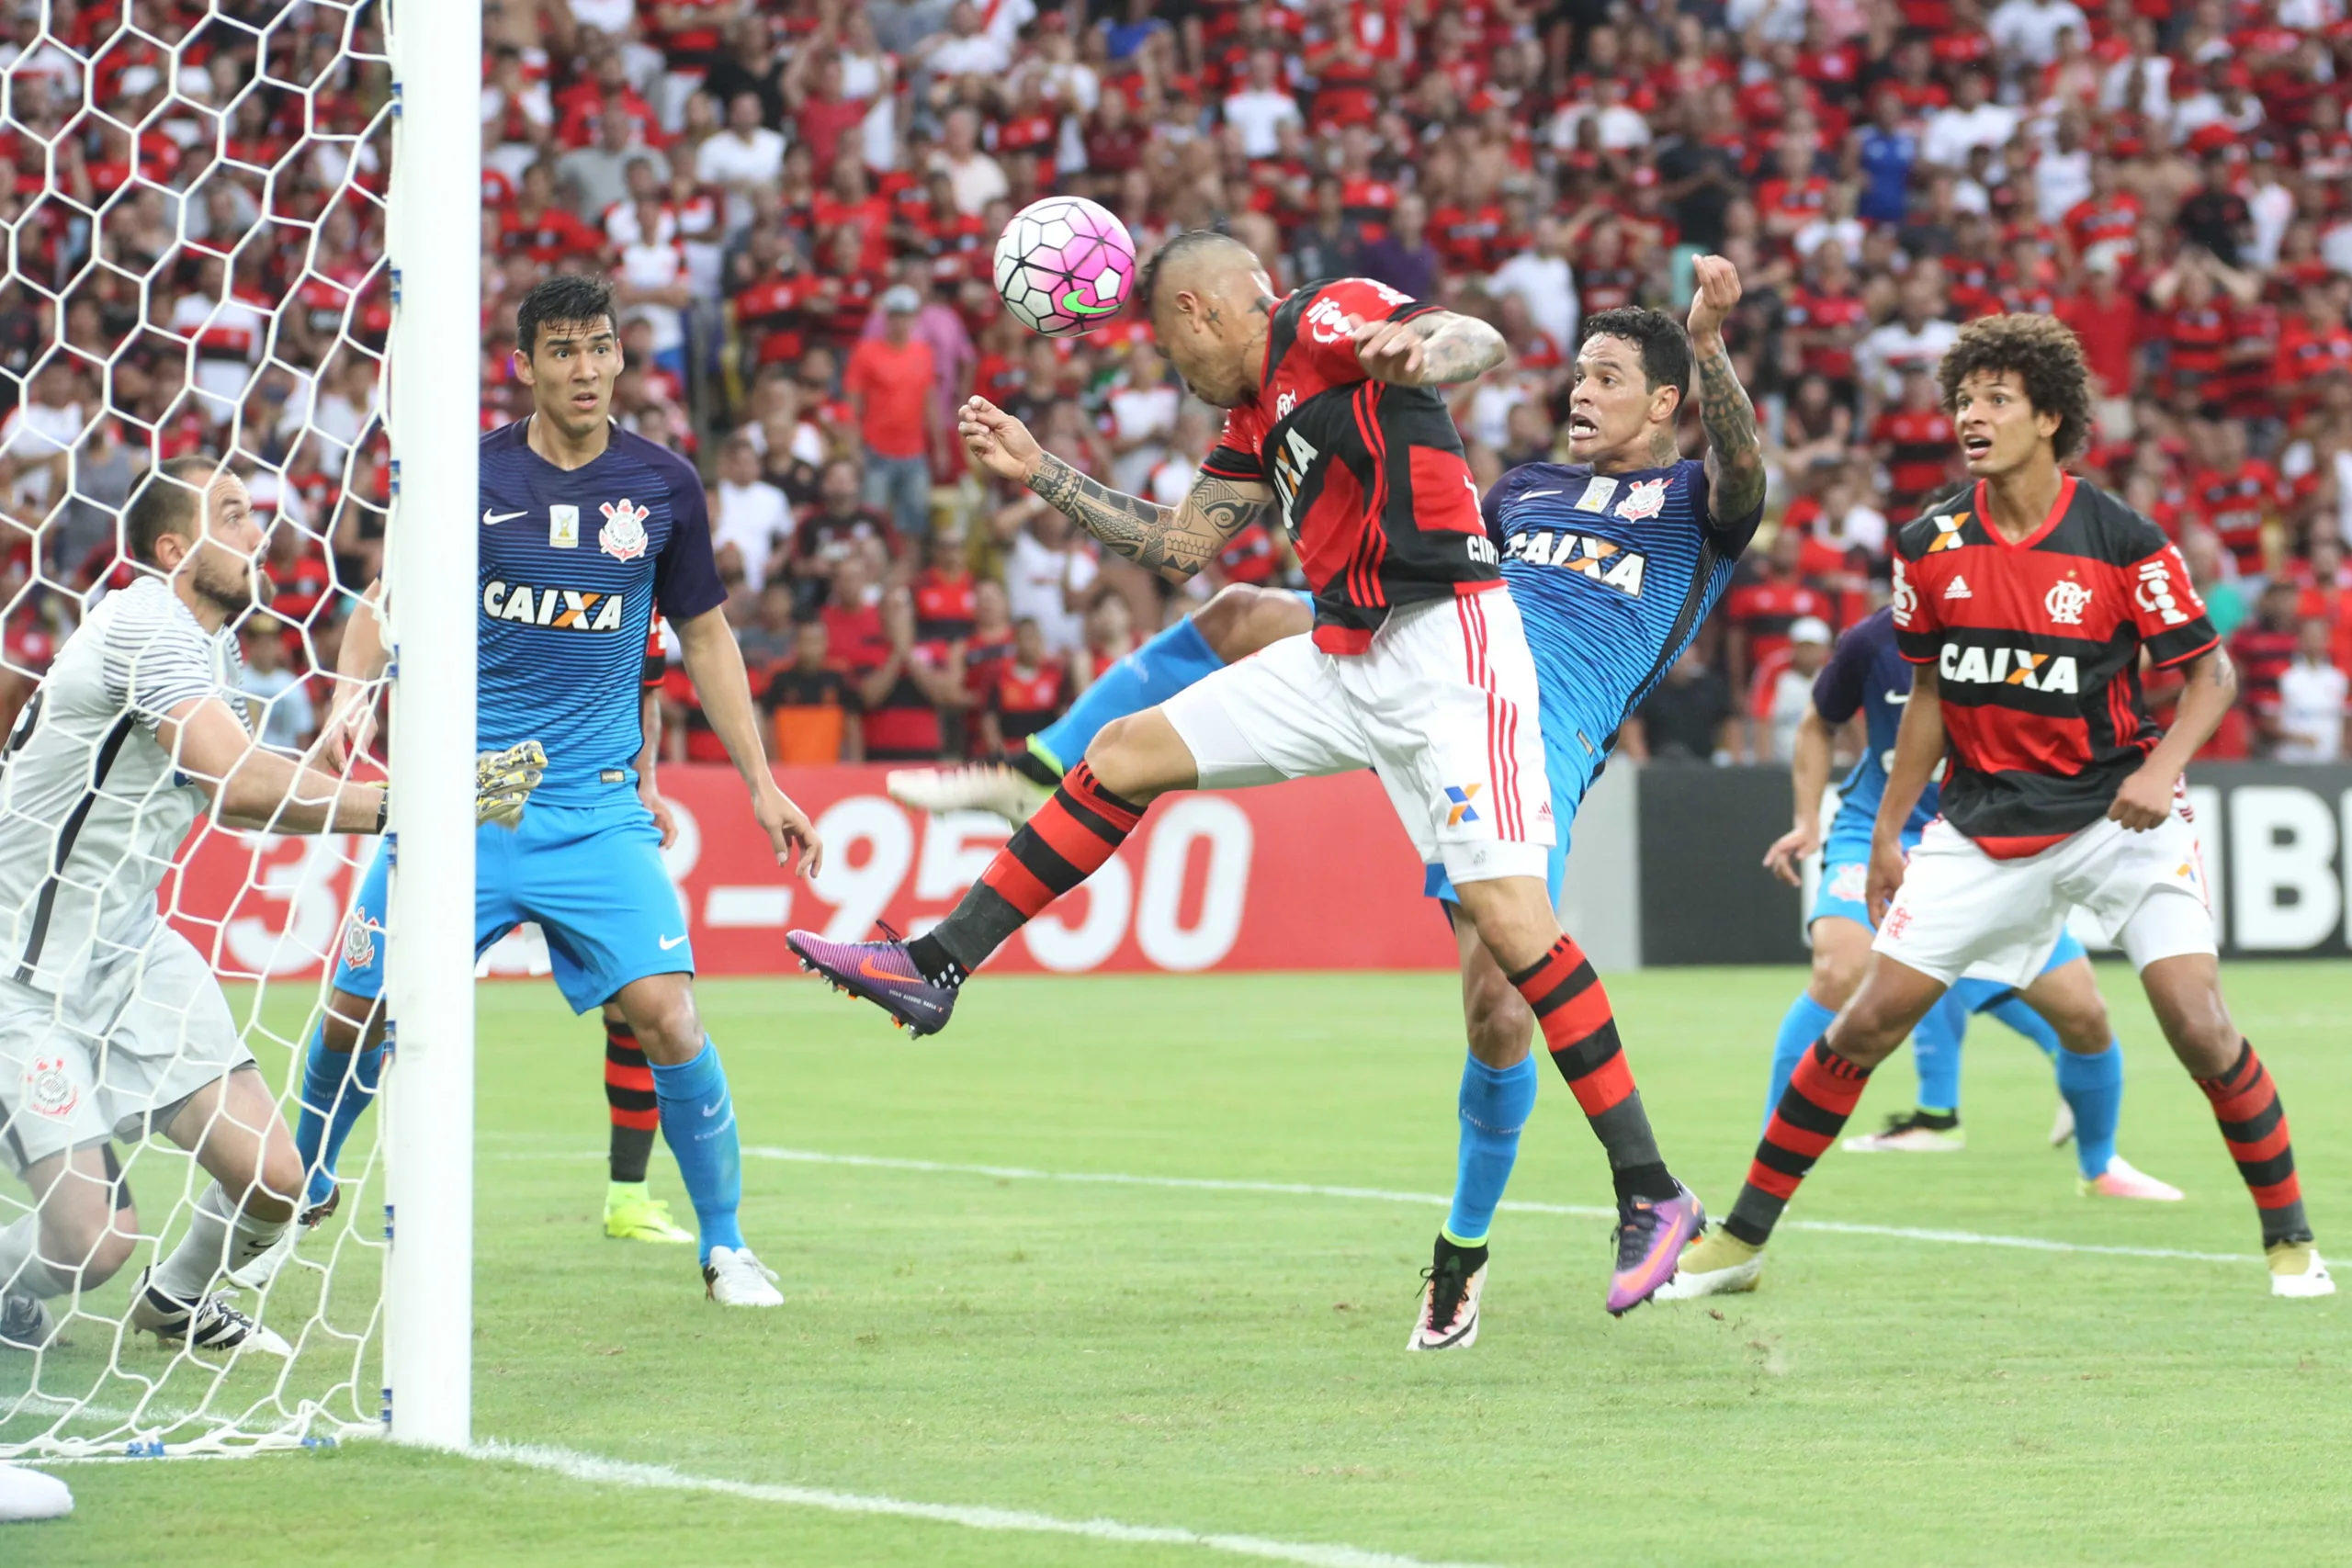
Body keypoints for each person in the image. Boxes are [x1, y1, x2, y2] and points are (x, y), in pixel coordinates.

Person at [799, 242, 1770, 1333]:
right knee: (1125, 751)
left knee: (1507, 974)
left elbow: (1475, 342)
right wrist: (1041, 473)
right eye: (1579, 373)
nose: (1580, 392)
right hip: (1360, 654)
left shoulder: (1345, 325)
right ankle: (936, 961)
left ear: (1205, 310)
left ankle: (1633, 1193)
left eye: (1607, 377)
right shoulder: (1473, 474)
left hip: (1479, 686)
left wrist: (1442, 345)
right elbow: (1175, 544)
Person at [1667, 314, 2332, 1303]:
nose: (1970, 418)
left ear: (2050, 418)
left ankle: (2290, 1243)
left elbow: (2212, 676)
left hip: (2121, 820)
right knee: (1863, 1025)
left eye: (1995, 401)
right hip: (1981, 831)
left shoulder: (2122, 540)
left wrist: (2163, 772)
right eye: (1962, 402)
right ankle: (1744, 1241)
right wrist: (1890, 827)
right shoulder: (1926, 544)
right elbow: (1928, 696)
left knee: (2196, 1023)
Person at [299, 276, 825, 1308]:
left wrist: (761, 783)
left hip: (592, 810)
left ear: (621, 356)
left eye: (600, 348)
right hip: (462, 808)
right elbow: (383, 602)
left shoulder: (662, 485)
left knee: (669, 1017)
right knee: (356, 1010)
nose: (585, 370)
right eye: (563, 352)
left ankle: (725, 1247)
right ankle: (296, 1190)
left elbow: (706, 639)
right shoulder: (467, 475)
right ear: (525, 366)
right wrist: (349, 707)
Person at [0, 457, 404, 1357]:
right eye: (233, 514)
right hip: (17, 974)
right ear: (174, 547)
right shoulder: (150, 624)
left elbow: (227, 793)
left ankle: (176, 1300)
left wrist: (338, 768)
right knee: (91, 1242)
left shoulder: (207, 646)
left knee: (276, 1179)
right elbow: (238, 780)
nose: (258, 531)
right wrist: (397, 802)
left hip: (128, 947)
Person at [1757, 604, 2181, 1199]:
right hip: (1878, 829)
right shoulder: (1872, 640)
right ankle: (1771, 1156)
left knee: (2083, 1012)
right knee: (1840, 966)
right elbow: (1816, 723)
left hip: (1980, 838)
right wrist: (1806, 820)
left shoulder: (2021, 629)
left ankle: (2100, 1164)